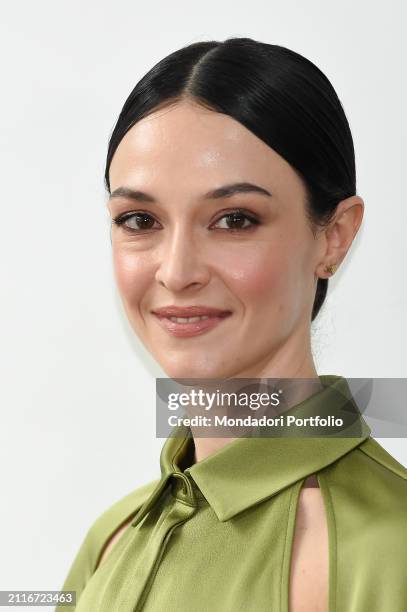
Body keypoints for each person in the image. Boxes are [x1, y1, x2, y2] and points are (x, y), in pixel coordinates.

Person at [56, 37, 407, 611]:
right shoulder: (109, 541)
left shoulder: (390, 551)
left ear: (334, 236)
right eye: (140, 219)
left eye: (234, 219)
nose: (177, 271)